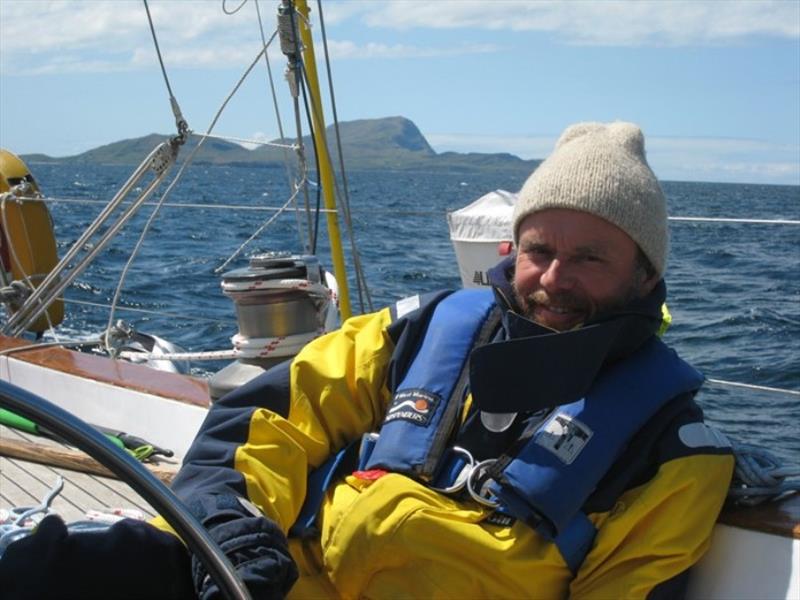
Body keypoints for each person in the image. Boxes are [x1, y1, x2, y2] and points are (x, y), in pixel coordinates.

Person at [0, 122, 734, 599]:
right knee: (51, 572)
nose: (554, 278)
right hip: (293, 583)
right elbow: (267, 422)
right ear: (511, 252)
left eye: (590, 258)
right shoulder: (422, 334)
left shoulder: (669, 452)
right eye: (540, 250)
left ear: (645, 275)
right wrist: (231, 529)